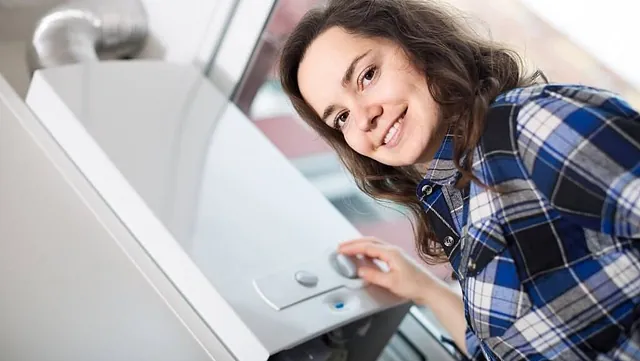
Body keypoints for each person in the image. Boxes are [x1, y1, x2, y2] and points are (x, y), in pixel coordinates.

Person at [278, 0, 640, 360]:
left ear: (418, 45)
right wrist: (425, 290)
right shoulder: (452, 195)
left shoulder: (529, 126)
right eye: (340, 117)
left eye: (367, 76)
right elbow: (501, 349)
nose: (362, 118)